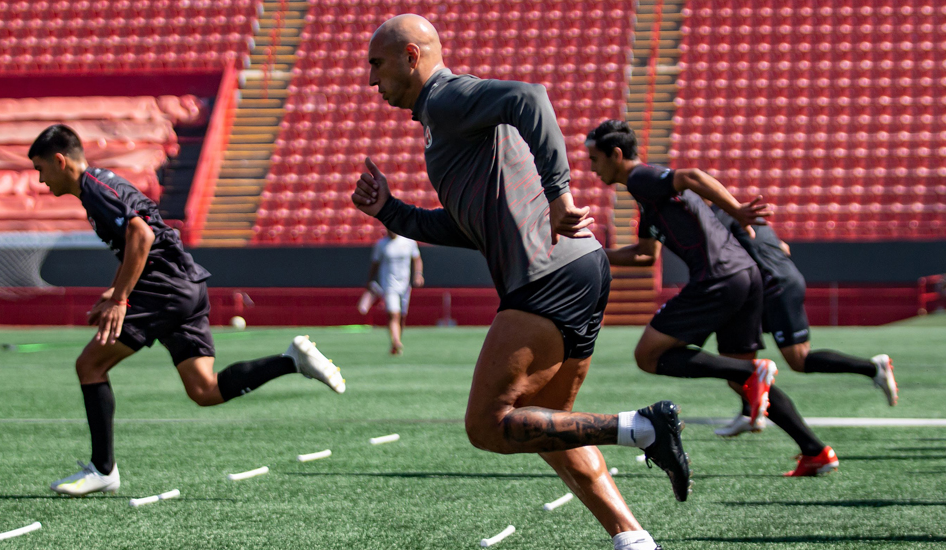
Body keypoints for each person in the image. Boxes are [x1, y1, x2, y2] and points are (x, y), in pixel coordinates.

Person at [351, 15, 688, 550]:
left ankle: (643, 428)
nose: (371, 80)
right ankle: (634, 540)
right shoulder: (441, 122)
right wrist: (391, 211)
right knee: (550, 426)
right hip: (578, 266)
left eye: (377, 64)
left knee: (487, 426)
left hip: (547, 273)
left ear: (412, 57)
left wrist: (559, 194)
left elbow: (530, 97)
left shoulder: (444, 97)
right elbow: (466, 226)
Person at [28, 124, 346, 497]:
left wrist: (120, 300)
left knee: (90, 365)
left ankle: (103, 469)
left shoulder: (95, 187)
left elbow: (142, 236)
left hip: (162, 289)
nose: (41, 180)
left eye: (40, 169)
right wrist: (116, 289)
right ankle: (291, 360)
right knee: (204, 389)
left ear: (60, 161)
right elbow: (140, 239)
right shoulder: (99, 187)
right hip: (184, 286)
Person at [588, 119, 839, 477]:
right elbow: (646, 255)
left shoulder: (642, 178)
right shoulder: (645, 194)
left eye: (594, 159)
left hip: (718, 277)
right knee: (744, 381)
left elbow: (690, 176)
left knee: (647, 355)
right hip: (744, 276)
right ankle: (815, 451)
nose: (591, 168)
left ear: (615, 155)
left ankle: (755, 371)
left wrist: (736, 208)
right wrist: (594, 252)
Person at [709, 203, 898, 436]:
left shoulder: (720, 217)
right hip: (764, 285)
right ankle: (749, 413)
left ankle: (872, 368)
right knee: (739, 360)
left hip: (775, 286)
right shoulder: (742, 213)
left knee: (799, 360)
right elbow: (783, 248)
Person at [360, 229, 424, 355]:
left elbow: (417, 259)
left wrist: (418, 274)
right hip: (389, 285)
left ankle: (396, 341)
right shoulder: (381, 244)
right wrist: (369, 280)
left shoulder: (409, 242)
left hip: (405, 286)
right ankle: (396, 341)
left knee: (402, 317)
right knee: (393, 314)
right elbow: (375, 264)